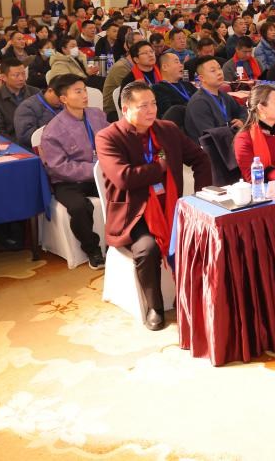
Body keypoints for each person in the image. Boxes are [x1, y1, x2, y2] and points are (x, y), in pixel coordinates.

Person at [95, 82, 211, 330]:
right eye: (143, 106)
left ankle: (192, 296)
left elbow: (201, 159)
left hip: (171, 206)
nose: (151, 110)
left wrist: (200, 198)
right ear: (125, 109)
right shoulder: (109, 137)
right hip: (133, 213)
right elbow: (124, 178)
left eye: (154, 104)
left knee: (205, 234)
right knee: (147, 249)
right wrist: (160, 167)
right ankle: (154, 307)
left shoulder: (167, 129)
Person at [38, 75, 108, 268]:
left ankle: (118, 242)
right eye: (78, 92)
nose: (85, 95)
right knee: (78, 207)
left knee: (125, 191)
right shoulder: (53, 130)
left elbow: (112, 139)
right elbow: (58, 166)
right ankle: (92, 250)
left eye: (84, 90)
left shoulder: (97, 115)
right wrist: (94, 169)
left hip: (100, 173)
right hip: (68, 181)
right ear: (64, 99)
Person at [184, 55, 247, 139]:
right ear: (202, 78)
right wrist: (233, 131)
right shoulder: (199, 103)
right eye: (213, 70)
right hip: (213, 145)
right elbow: (210, 135)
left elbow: (243, 111)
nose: (219, 72)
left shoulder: (224, 96)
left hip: (229, 139)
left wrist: (242, 121)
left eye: (219, 68)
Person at [0, 58, 40, 142]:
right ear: (4, 77)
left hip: (36, 141)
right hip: (12, 144)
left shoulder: (35, 92)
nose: (21, 78)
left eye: (23, 74)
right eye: (16, 75)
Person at [12, 78, 66, 151]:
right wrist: (56, 133)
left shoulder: (64, 104)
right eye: (59, 97)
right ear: (50, 91)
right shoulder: (27, 107)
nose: (62, 101)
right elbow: (25, 136)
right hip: (39, 151)